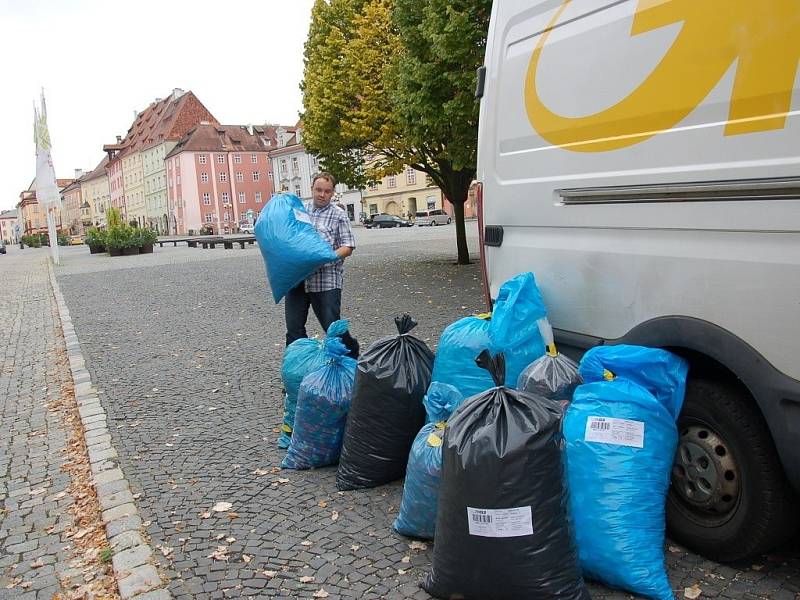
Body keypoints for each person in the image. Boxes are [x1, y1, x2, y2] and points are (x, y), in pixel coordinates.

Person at [284, 172, 359, 358]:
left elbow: (348, 246)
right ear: (312, 189)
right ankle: (296, 370)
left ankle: (350, 357)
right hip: (298, 279)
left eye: (327, 191)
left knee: (331, 326)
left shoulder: (338, 215)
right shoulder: (300, 211)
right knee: (294, 329)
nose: (322, 194)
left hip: (326, 280)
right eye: (318, 190)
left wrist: (325, 257)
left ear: (333, 192)